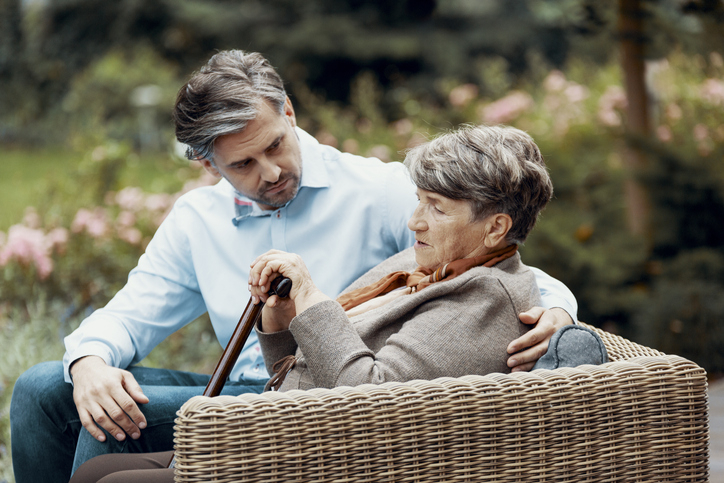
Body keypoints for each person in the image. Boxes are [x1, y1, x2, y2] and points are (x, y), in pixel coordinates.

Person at [10, 51, 577, 483]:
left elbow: (494, 251)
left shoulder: (379, 191)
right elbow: (129, 316)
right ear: (209, 164)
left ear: (289, 111)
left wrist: (558, 310)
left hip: (322, 405)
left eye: (276, 144)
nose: (272, 171)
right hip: (249, 384)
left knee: (108, 424)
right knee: (44, 389)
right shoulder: (196, 220)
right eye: (244, 164)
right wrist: (88, 362)